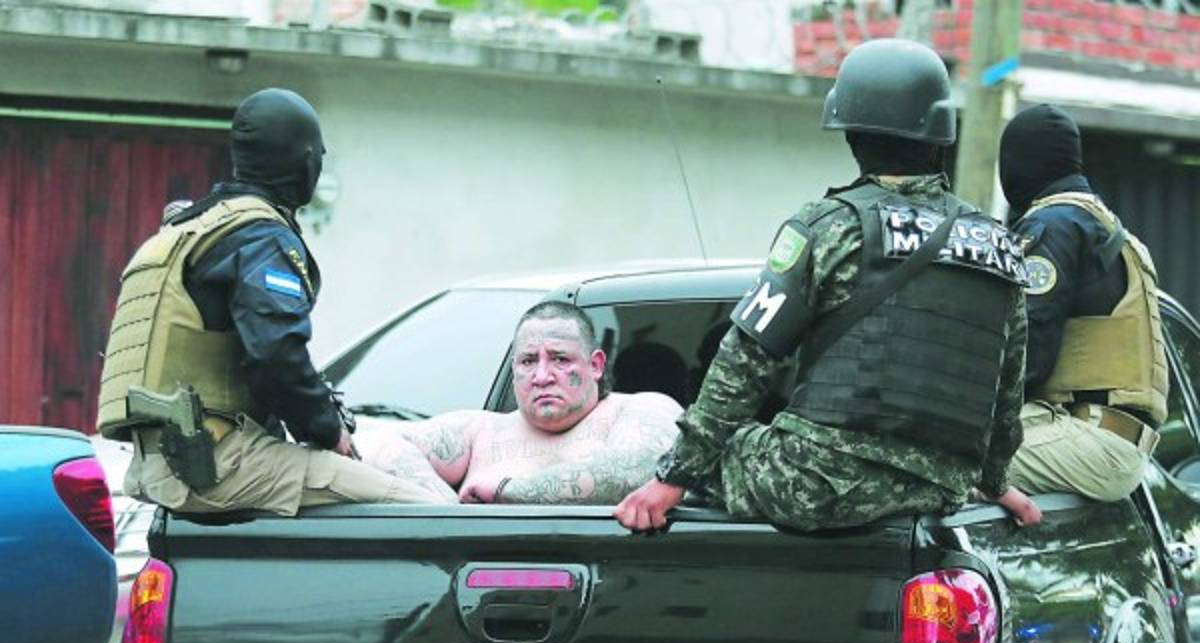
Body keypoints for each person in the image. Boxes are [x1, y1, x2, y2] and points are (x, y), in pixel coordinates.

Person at [616, 38, 1042, 534]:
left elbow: (743, 362)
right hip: (934, 490)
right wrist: (994, 482)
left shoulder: (827, 227)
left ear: (851, 136)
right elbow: (1006, 391)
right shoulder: (997, 245)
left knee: (672, 445)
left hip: (817, 484)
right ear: (940, 136)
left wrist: (673, 476)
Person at [96, 88, 441, 515]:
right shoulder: (261, 236)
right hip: (217, 464)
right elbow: (276, 354)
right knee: (421, 508)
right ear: (307, 161)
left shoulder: (190, 229)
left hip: (162, 463)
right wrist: (329, 430)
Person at [999, 104, 1168, 501]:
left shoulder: (1054, 225)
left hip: (1089, 439)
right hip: (1111, 441)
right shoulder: (1108, 229)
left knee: (937, 467)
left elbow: (1026, 349)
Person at [362, 301, 683, 504]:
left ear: (596, 365)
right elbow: (378, 444)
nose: (542, 376)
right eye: (528, 361)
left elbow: (638, 470)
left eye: (559, 359)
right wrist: (444, 509)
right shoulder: (481, 429)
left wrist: (507, 490)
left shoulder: (640, 409)